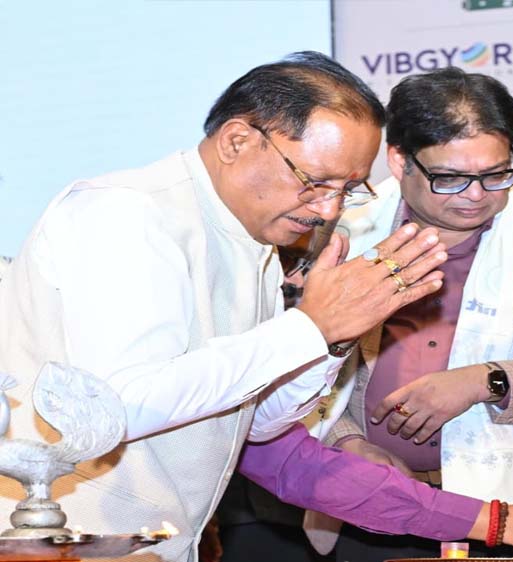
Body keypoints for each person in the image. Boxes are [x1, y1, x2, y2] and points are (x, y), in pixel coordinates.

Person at [0, 51, 469, 561]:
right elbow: (120, 405)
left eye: (349, 189)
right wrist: (310, 327)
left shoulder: (254, 245)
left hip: (156, 540)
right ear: (237, 141)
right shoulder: (126, 211)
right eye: (315, 181)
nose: (329, 208)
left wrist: (333, 340)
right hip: (59, 537)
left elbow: (258, 423)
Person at [290, 67, 513, 561]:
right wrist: (345, 441)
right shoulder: (339, 231)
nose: (476, 195)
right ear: (399, 160)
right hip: (370, 504)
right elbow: (296, 365)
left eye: (496, 174)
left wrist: (487, 381)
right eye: (451, 178)